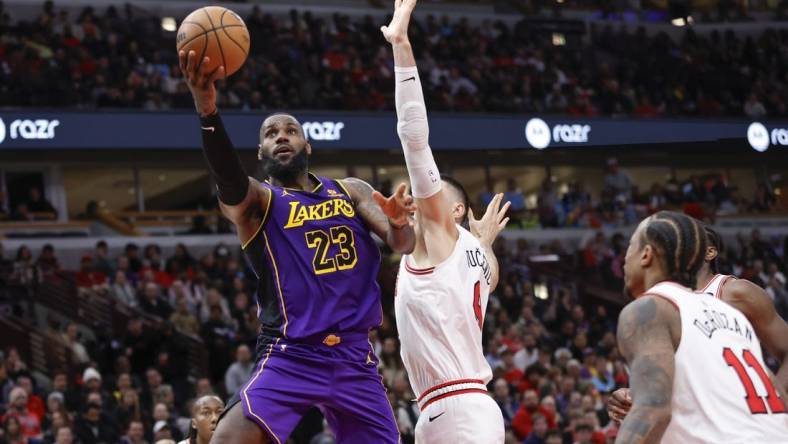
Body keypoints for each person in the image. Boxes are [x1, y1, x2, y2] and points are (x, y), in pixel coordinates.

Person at [178, 26, 416, 442]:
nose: (281, 136)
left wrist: (398, 222)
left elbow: (405, 245)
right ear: (261, 154)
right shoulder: (259, 201)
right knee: (227, 439)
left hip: (353, 356)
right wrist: (207, 111)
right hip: (292, 354)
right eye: (271, 134)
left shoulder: (351, 191)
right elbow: (230, 183)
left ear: (308, 145)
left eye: (290, 130)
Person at [378, 1, 507, 442]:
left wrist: (401, 47)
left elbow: (414, 137)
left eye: (429, 197)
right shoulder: (473, 253)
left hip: (456, 407)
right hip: (458, 406)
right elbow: (490, 279)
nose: (416, 198)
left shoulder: (440, 233)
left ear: (452, 211)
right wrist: (484, 240)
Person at [614, 211, 787, 442]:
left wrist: (646, 405)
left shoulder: (652, 308)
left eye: (629, 248)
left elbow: (654, 410)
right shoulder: (726, 314)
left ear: (646, 255)